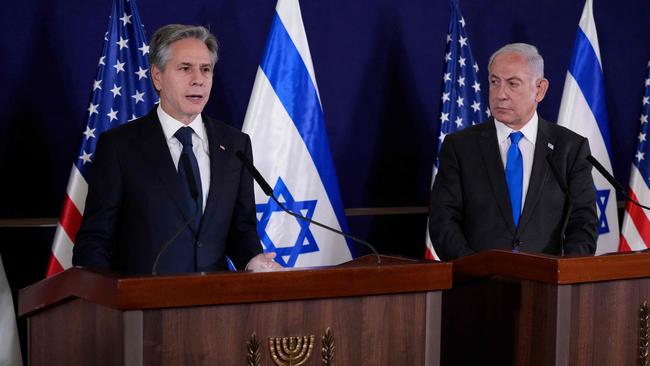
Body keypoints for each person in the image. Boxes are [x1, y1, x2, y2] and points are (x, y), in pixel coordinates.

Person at [73, 24, 279, 274]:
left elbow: (241, 228)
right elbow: (95, 238)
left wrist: (252, 260)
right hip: (142, 304)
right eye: (185, 69)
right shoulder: (120, 146)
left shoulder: (235, 144)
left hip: (218, 302)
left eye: (206, 70)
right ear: (157, 76)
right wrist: (103, 298)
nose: (198, 80)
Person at [428, 43, 598, 261]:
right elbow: (443, 221)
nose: (501, 94)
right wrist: (474, 270)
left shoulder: (569, 148)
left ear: (540, 89)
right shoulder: (460, 147)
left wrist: (566, 274)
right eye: (494, 82)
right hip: (476, 285)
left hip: (548, 286)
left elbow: (583, 222)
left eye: (512, 84)